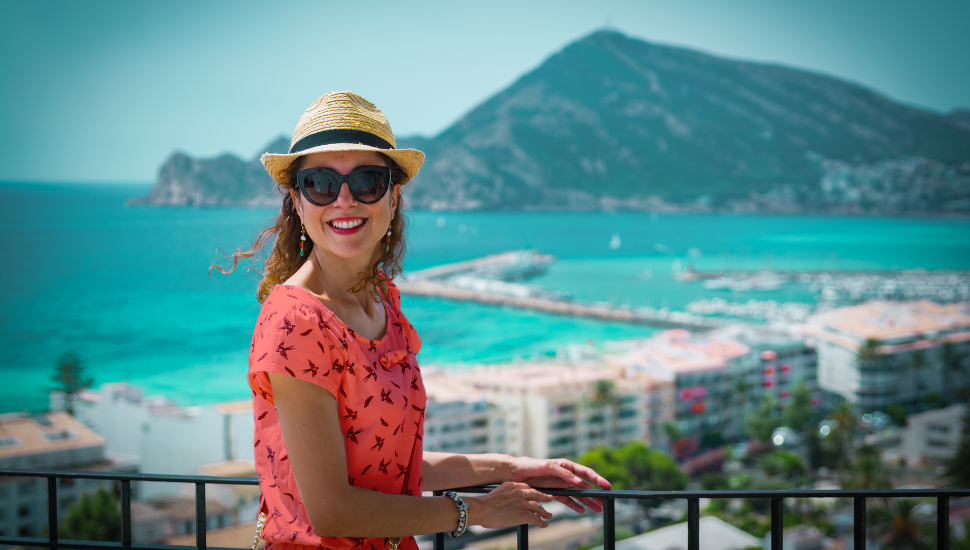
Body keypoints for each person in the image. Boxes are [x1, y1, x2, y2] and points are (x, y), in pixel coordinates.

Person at [219, 91, 611, 550]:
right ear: (298, 201)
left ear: (393, 194)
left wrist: (513, 468)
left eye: (367, 181)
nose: (344, 199)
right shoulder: (297, 321)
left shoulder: (382, 301)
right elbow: (331, 511)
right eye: (321, 183)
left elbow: (389, 464)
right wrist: (479, 510)